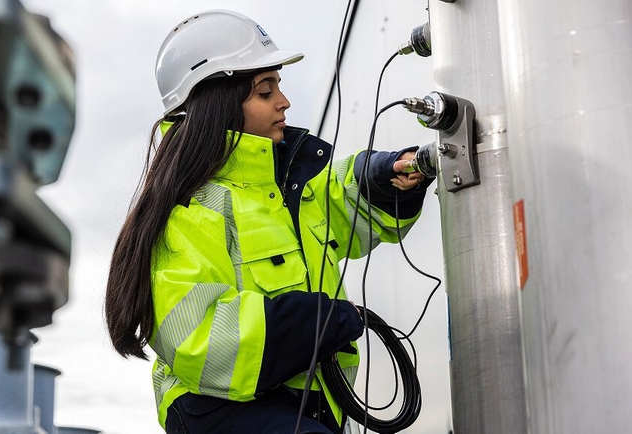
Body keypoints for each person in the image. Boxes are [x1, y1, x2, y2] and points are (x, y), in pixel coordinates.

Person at [105, 10, 430, 434]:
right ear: (219, 103)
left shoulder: (291, 191)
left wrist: (388, 177)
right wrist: (319, 322)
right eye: (265, 90)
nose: (284, 101)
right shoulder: (191, 211)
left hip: (306, 410)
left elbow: (345, 199)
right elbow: (200, 340)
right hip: (224, 413)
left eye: (279, 85)